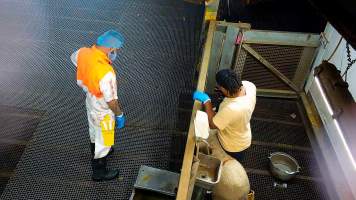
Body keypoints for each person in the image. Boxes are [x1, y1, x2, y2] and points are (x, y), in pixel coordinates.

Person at [70, 30, 125, 181]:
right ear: (109, 48)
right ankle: (99, 171)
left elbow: (73, 59)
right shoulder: (106, 73)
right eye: (114, 50)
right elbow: (111, 101)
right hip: (103, 108)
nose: (115, 53)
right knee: (105, 136)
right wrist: (119, 114)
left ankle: (96, 147)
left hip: (90, 99)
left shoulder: (83, 52)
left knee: (93, 128)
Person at [193, 69, 256, 161]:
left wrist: (207, 101)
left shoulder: (232, 109)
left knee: (229, 164)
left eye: (220, 86)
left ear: (225, 89)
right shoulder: (249, 86)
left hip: (233, 146)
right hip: (244, 136)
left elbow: (212, 124)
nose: (218, 87)